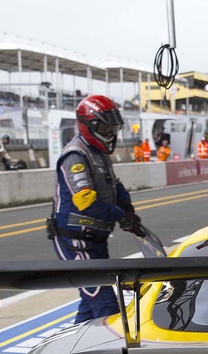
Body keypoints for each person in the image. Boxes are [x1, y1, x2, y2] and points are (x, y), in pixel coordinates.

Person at [50, 95, 144, 324]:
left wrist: (126, 205)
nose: (110, 133)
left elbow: (114, 184)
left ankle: (67, 353)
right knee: (106, 308)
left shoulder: (98, 153)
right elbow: (86, 202)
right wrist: (122, 218)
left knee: (89, 309)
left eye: (113, 128)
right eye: (105, 127)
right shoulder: (75, 155)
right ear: (88, 124)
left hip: (95, 241)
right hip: (76, 242)